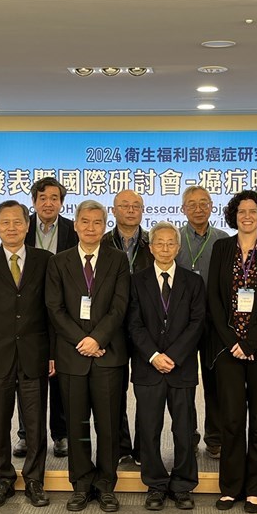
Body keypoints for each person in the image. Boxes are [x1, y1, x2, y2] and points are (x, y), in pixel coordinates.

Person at [46, 200, 130, 512]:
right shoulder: (60, 262)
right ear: (76, 225)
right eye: (85, 221)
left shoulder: (118, 260)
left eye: (97, 222)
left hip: (108, 355)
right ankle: (81, 484)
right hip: (73, 356)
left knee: (108, 425)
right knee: (77, 425)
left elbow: (120, 306)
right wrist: (83, 340)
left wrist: (97, 338)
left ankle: (106, 484)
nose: (91, 227)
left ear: (105, 225)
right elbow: (55, 309)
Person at [0, 200, 54, 508]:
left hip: (35, 354)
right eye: (5, 222)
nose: (11, 228)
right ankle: (2, 480)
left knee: (35, 423)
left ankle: (34, 480)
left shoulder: (45, 260)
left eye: (17, 222)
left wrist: (53, 353)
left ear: (27, 225)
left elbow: (52, 311)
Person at [208, 190, 257, 513]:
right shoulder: (222, 247)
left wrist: (251, 341)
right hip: (228, 349)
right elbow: (213, 297)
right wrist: (232, 342)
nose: (247, 216)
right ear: (234, 215)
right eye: (241, 211)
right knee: (232, 418)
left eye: (253, 211)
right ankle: (231, 487)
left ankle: (255, 488)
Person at [128, 222, 206, 511]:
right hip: (148, 367)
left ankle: (184, 484)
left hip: (181, 366)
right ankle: (156, 484)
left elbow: (197, 323)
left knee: (184, 429)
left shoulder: (193, 281)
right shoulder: (137, 280)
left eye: (170, 243)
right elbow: (133, 324)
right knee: (149, 428)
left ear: (178, 246)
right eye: (158, 243)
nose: (164, 248)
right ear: (150, 247)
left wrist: (173, 355)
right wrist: (153, 356)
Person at [17, 177, 77, 460]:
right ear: (34, 201)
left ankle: (61, 434)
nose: (48, 203)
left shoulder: (71, 229)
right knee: (27, 376)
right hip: (28, 311)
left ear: (61, 202)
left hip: (63, 310)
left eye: (54, 197)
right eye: (43, 198)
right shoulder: (21, 226)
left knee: (60, 377)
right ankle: (26, 434)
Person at [175, 186, 229, 459]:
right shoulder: (173, 239)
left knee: (215, 382)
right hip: (180, 324)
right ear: (183, 209)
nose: (198, 208)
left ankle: (215, 438)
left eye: (203, 203)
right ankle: (188, 435)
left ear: (211, 206)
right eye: (191, 204)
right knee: (184, 384)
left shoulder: (223, 239)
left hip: (214, 322)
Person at [102, 189, 153, 465]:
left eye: (136, 205)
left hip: (146, 327)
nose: (131, 210)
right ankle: (121, 445)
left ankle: (144, 449)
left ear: (142, 211)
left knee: (146, 389)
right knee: (115, 389)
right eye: (125, 205)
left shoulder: (153, 242)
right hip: (113, 326)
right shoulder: (102, 243)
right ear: (114, 211)